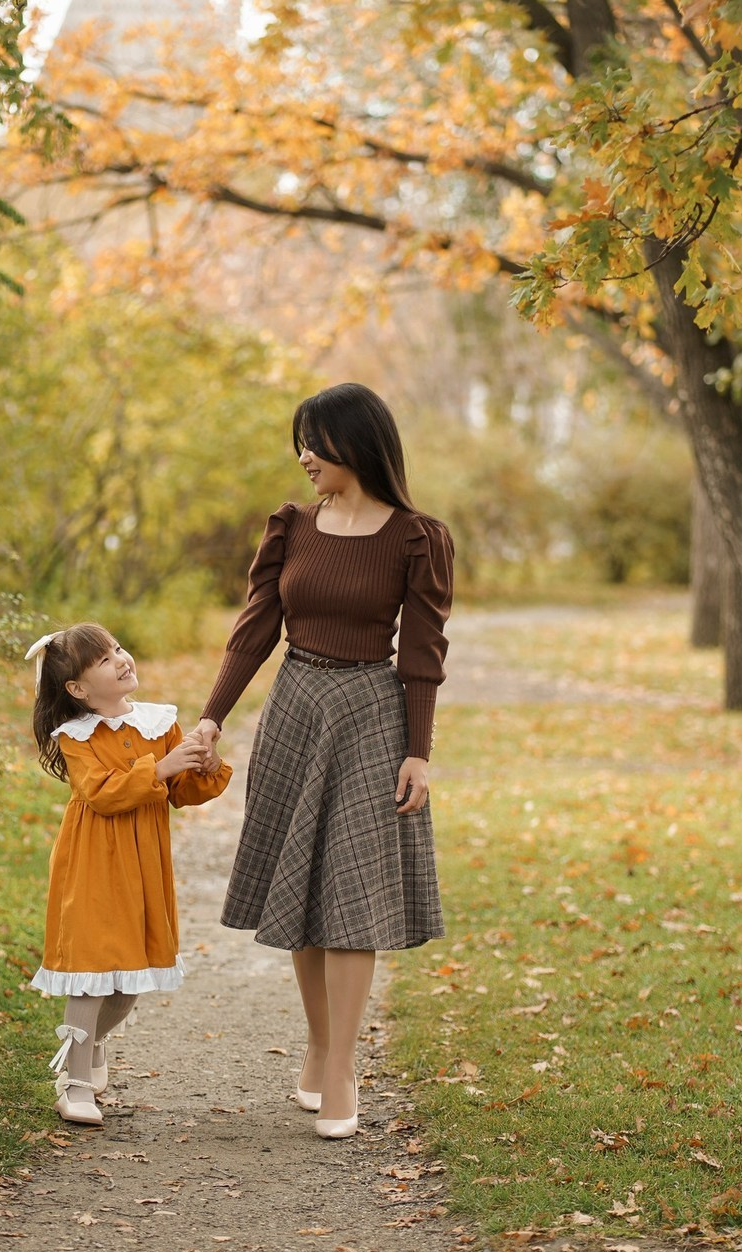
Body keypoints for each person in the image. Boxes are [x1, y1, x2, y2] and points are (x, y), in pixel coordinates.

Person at [194, 382, 453, 1140]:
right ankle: (319, 1043)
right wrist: (212, 717)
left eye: (316, 442)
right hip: (296, 709)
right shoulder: (291, 527)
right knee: (303, 890)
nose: (304, 457)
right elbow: (254, 631)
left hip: (371, 714)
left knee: (353, 896)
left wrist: (419, 750)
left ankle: (341, 1066)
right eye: (298, 443)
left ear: (358, 443)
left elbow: (426, 652)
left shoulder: (417, 538)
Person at [27, 623, 232, 1126]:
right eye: (103, 660)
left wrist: (201, 763)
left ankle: (90, 1045)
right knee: (92, 973)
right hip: (94, 862)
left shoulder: (159, 723)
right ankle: (75, 1084)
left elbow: (184, 792)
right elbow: (100, 792)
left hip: (143, 864)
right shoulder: (76, 737)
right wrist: (159, 770)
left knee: (129, 983)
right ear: (78, 689)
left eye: (118, 648)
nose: (121, 659)